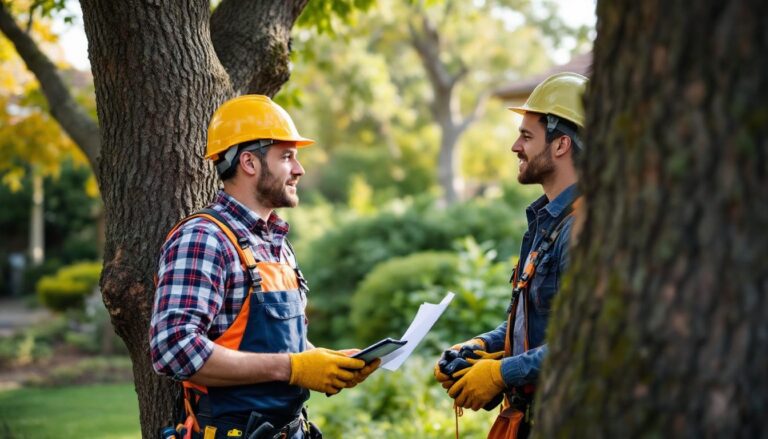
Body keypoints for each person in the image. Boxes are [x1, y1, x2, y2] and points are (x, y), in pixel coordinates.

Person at [150, 95, 379, 439]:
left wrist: (325, 361)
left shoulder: (276, 243)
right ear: (249, 162)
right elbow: (174, 349)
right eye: (287, 156)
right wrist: (293, 367)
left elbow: (273, 345)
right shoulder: (204, 238)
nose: (299, 169)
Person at [434, 72, 588, 438]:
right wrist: (482, 346)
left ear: (561, 144)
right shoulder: (547, 222)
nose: (515, 146)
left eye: (527, 136)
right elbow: (535, 320)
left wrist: (502, 373)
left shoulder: (583, 228)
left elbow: (584, 340)